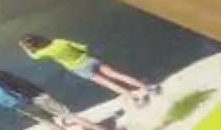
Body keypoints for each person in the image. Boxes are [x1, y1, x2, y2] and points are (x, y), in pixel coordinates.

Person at [0, 59, 95, 130]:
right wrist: (39, 91)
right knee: (65, 114)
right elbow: (20, 82)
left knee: (48, 123)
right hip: (31, 96)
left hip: (18, 105)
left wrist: (11, 106)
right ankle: (99, 129)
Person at [18, 31, 152, 100]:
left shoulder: (44, 52)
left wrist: (26, 49)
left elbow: (34, 57)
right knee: (116, 75)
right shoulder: (60, 41)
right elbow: (83, 47)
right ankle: (146, 87)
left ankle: (133, 97)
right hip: (90, 60)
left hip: (79, 68)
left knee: (107, 83)